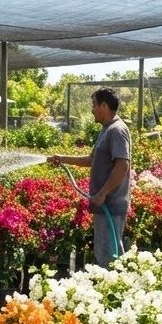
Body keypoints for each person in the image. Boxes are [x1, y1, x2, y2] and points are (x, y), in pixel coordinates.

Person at [47, 87, 131, 268]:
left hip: (111, 204)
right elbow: (91, 160)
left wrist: (102, 193)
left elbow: (123, 165)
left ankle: (113, 292)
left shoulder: (117, 130)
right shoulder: (107, 130)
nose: (92, 109)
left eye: (94, 105)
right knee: (108, 252)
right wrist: (63, 159)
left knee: (109, 256)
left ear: (104, 105)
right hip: (104, 204)